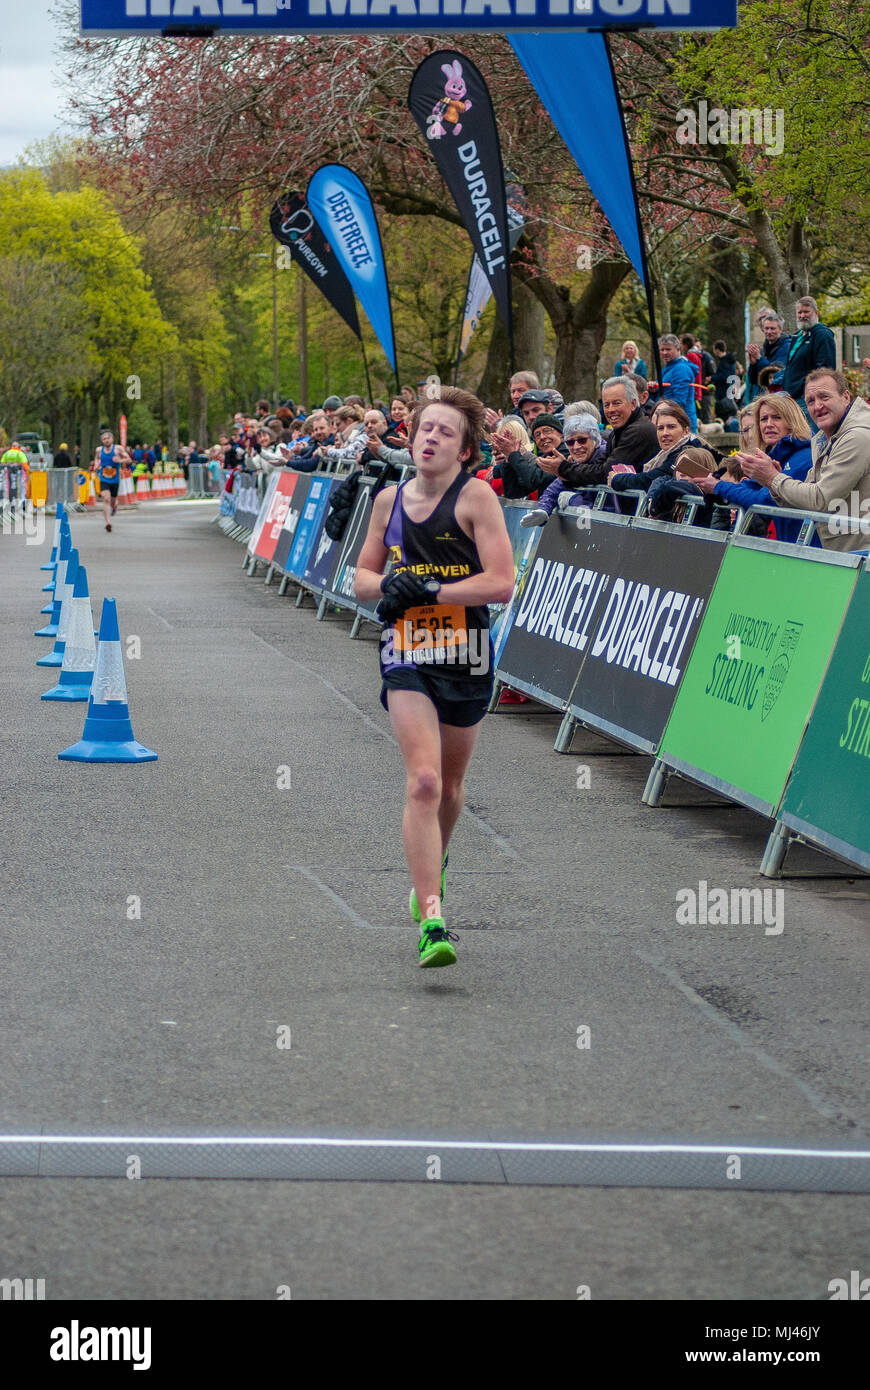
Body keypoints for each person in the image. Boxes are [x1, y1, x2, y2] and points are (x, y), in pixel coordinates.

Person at [354, 387, 514, 968]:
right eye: (425, 428)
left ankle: (435, 861)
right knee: (422, 781)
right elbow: (362, 579)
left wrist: (432, 588)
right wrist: (389, 588)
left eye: (445, 432)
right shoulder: (386, 500)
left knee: (448, 787)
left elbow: (501, 583)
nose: (431, 438)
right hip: (408, 647)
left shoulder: (476, 500)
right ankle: (432, 917)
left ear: (465, 449)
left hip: (467, 648)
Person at [739, 368, 870, 553]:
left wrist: (772, 478)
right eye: (810, 401)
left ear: (845, 397)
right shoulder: (822, 439)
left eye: (824, 397)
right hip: (845, 553)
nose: (817, 406)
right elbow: (803, 498)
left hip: (860, 555)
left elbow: (819, 499)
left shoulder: (857, 437)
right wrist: (772, 480)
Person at [692, 394, 814, 542]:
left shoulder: (804, 456)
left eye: (776, 417)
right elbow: (751, 485)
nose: (768, 424)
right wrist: (715, 485)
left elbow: (764, 499)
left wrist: (720, 487)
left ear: (791, 420)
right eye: (763, 419)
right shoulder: (778, 454)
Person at [780, 297, 837, 427]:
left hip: (808, 400)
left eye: (806, 312)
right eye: (799, 313)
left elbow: (824, 370)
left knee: (811, 439)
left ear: (816, 313)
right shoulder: (798, 336)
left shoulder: (822, 335)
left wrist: (803, 390)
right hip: (791, 399)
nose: (802, 315)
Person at [599, 376, 659, 468]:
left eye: (617, 403)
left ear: (633, 404)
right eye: (606, 405)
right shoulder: (617, 431)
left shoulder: (638, 431)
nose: (610, 409)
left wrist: (569, 469)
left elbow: (607, 471)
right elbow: (601, 463)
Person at [650, 336, 699, 430]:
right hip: (668, 421)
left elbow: (679, 401)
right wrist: (653, 389)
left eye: (668, 349)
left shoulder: (681, 369)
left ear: (678, 349)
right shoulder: (669, 368)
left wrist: (658, 409)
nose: (664, 353)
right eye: (662, 349)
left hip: (681, 423)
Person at [92, 430, 131, 532]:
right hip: (104, 478)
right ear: (102, 441)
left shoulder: (118, 449)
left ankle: (114, 507)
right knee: (106, 498)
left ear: (112, 439)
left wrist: (120, 460)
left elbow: (129, 459)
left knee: (112, 501)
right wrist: (96, 465)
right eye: (104, 439)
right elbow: (96, 459)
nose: (106, 440)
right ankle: (108, 522)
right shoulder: (99, 450)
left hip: (115, 480)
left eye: (108, 438)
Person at [746, 313, 790, 401]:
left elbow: (777, 375)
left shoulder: (787, 346)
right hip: (762, 397)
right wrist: (753, 364)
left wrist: (759, 358)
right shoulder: (764, 349)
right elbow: (753, 380)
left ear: (780, 329)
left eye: (773, 328)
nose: (769, 332)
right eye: (766, 328)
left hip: (778, 398)